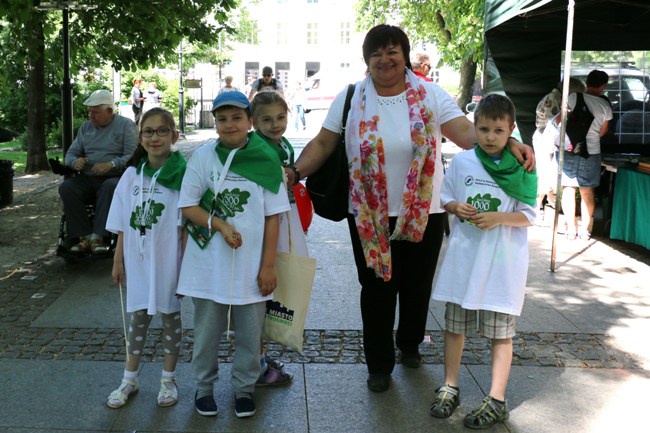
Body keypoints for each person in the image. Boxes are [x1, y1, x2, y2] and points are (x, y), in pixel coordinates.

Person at [286, 24, 535, 393]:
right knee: (376, 288)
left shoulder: (431, 94)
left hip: (425, 212)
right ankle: (379, 364)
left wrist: (510, 141)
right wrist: (293, 172)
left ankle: (409, 343)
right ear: (366, 60)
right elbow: (323, 143)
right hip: (368, 214)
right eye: (376, 54)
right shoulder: (351, 96)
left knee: (416, 287)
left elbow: (469, 134)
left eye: (392, 52)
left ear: (404, 56)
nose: (384, 60)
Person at [176, 91, 290, 418]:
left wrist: (268, 265)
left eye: (236, 118)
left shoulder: (265, 158)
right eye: (222, 119)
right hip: (208, 265)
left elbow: (273, 217)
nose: (229, 125)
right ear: (215, 123)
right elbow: (188, 205)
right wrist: (220, 225)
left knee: (250, 335)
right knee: (207, 332)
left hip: (251, 266)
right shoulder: (202, 157)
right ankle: (204, 388)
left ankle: (244, 389)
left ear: (250, 121)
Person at [429, 94, 537, 429]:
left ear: (511, 131)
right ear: (474, 127)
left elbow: (529, 216)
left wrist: (499, 218)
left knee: (500, 334)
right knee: (454, 326)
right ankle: (450, 386)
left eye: (498, 130)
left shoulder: (522, 167)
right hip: (465, 261)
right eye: (484, 129)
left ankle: (497, 398)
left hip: (501, 266)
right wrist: (454, 208)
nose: (490, 136)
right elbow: (445, 196)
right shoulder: (462, 163)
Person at [104, 107, 186, 409]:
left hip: (168, 261)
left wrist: (186, 268)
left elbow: (187, 225)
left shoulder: (183, 177)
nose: (155, 137)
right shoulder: (130, 177)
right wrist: (118, 259)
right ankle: (130, 377)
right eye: (148, 131)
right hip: (138, 262)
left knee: (170, 318)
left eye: (162, 131)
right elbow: (123, 222)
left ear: (174, 135)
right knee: (138, 318)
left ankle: (168, 379)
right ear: (140, 137)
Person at [60, 89, 138, 253]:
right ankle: (83, 236)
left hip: (116, 176)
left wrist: (111, 164)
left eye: (95, 113)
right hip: (89, 177)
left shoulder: (126, 126)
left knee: (110, 187)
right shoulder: (86, 128)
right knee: (67, 187)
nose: (91, 116)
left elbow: (133, 156)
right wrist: (75, 162)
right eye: (90, 112)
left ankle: (99, 236)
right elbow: (70, 154)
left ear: (109, 111)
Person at [554, 70, 612, 240]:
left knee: (568, 188)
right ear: (603, 86)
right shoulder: (605, 106)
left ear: (587, 82)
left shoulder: (573, 98)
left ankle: (570, 230)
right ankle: (585, 231)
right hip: (591, 151)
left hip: (568, 148)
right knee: (587, 190)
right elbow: (602, 133)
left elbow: (558, 121)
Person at [533, 77, 585, 218]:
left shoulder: (558, 97)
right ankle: (537, 209)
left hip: (551, 140)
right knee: (544, 175)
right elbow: (553, 125)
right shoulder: (554, 98)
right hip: (545, 140)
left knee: (550, 175)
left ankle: (550, 206)